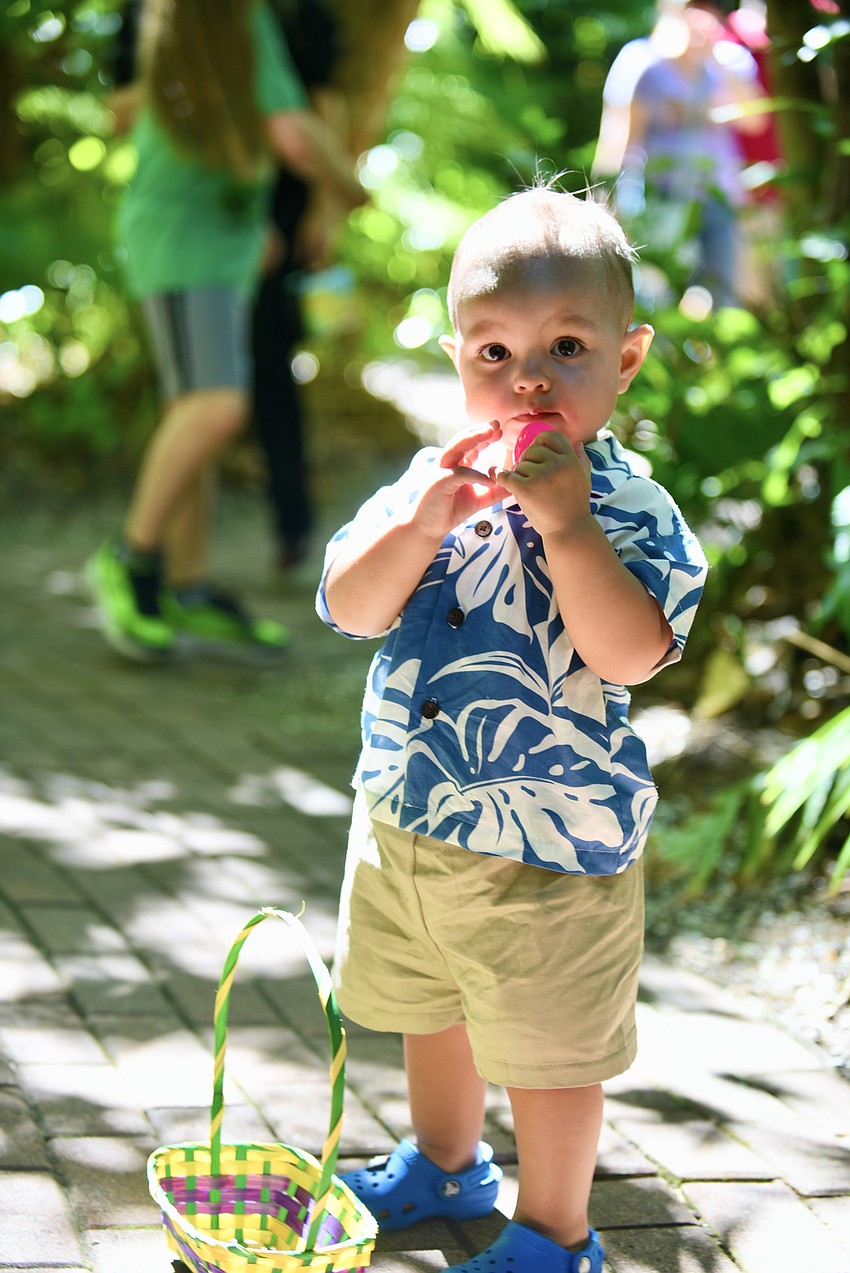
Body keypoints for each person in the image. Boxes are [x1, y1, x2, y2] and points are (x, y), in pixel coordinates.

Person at [316, 185, 707, 1272]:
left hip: (549, 847)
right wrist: (417, 523)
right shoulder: (427, 482)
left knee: (545, 1051)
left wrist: (569, 525)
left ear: (624, 361)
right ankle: (445, 1163)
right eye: (493, 350)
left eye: (564, 346)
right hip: (408, 813)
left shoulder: (634, 512)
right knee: (424, 1008)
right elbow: (350, 608)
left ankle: (554, 1230)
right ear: (456, 357)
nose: (526, 378)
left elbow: (631, 654)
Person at [87, 0, 363, 663]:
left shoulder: (210, 16)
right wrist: (348, 186)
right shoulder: (225, 14)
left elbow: (216, 122)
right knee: (215, 406)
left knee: (196, 413)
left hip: (216, 235)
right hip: (187, 240)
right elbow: (290, 130)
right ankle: (130, 559)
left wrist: (247, 214)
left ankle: (188, 585)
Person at [617, 1, 764, 308]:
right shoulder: (646, 63)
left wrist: (713, 57)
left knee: (725, 293)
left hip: (719, 193)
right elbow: (626, 138)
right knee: (660, 291)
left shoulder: (728, 61)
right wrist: (616, 198)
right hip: (663, 196)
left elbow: (756, 119)